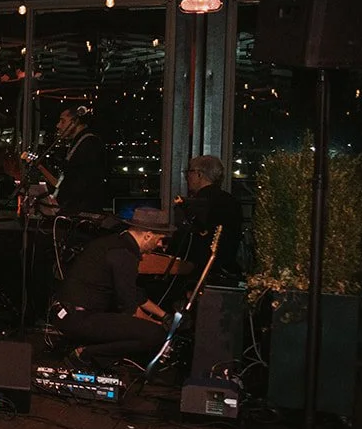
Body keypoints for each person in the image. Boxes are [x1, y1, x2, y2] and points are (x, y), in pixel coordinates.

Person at [51, 207, 173, 366]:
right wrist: (158, 326)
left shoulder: (116, 243)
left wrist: (164, 315)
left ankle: (93, 356)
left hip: (67, 313)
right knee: (154, 335)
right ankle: (85, 354)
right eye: (159, 239)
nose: (160, 245)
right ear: (148, 235)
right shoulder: (124, 255)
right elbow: (129, 306)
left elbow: (134, 293)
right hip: (78, 317)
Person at [170, 154, 243, 279]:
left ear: (199, 174)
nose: (187, 177)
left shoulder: (192, 205)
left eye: (190, 172)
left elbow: (185, 243)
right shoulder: (232, 201)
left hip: (195, 272)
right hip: (224, 269)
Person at [52, 105, 108, 214]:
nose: (58, 125)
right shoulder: (81, 142)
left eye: (63, 121)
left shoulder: (90, 143)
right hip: (75, 209)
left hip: (81, 212)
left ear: (75, 122)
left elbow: (82, 182)